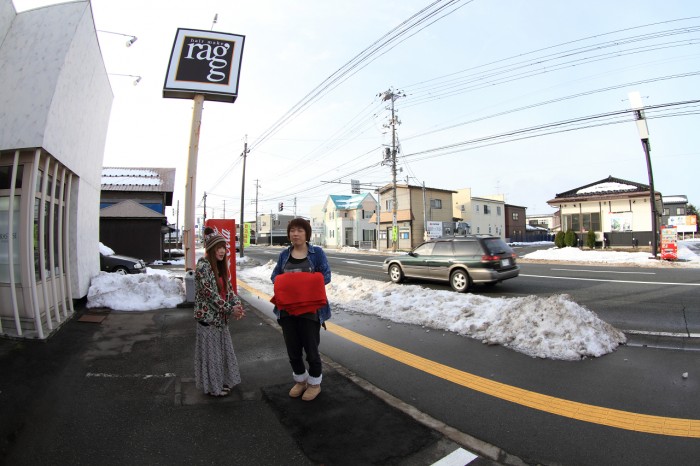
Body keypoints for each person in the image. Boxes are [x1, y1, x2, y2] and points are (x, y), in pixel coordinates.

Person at [271, 218, 331, 401]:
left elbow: (326, 276)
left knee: (311, 350)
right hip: (287, 310)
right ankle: (300, 380)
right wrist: (296, 284)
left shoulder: (317, 253)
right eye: (292, 230)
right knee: (293, 350)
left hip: (310, 311)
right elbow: (275, 277)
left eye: (299, 230)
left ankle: (314, 384)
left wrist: (299, 285)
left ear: (307, 234)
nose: (295, 234)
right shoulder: (284, 254)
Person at [193, 227, 246, 397]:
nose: (222, 251)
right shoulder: (203, 266)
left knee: (221, 354)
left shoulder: (220, 267)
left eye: (223, 247)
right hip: (208, 320)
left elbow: (229, 291)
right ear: (210, 249)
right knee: (213, 357)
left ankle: (222, 382)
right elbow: (210, 296)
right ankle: (214, 387)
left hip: (220, 319)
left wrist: (237, 306)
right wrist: (231, 309)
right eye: (218, 247)